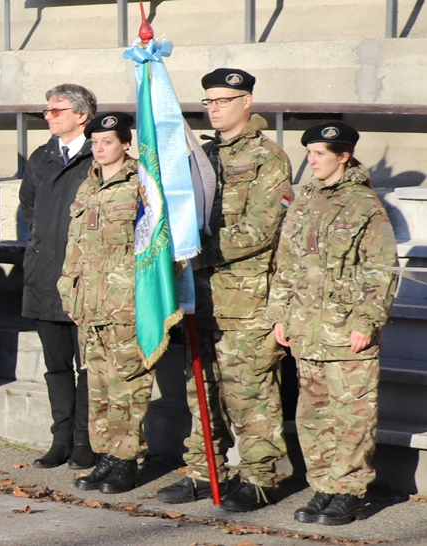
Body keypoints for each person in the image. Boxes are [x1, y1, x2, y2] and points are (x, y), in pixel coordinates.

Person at [157, 68, 292, 512]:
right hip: (199, 294)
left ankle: (260, 477)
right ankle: (204, 470)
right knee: (202, 389)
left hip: (245, 300)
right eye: (209, 102)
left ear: (246, 101)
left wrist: (199, 252)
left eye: (223, 101)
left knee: (249, 393)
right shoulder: (201, 156)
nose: (214, 109)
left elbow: (262, 229)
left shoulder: (267, 157)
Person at [271, 122, 397, 526]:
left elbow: (381, 268)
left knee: (352, 416)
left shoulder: (364, 204)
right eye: (309, 152)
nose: (311, 160)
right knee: (313, 415)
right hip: (306, 327)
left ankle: (349, 491)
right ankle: (324, 486)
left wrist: (367, 320)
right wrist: (280, 313)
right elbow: (286, 262)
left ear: (344, 156)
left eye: (319, 153)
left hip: (345, 330)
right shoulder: (305, 200)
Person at [59, 112, 150, 495]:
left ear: (126, 144)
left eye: (107, 142)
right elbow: (75, 246)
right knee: (98, 385)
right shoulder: (88, 185)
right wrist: (69, 290)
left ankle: (127, 459)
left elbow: (155, 247)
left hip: (125, 304)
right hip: (91, 304)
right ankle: (106, 455)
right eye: (94, 142)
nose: (98, 149)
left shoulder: (142, 185)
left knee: (127, 384)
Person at [20, 83, 97, 470]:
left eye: (57, 110)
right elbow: (29, 207)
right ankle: (61, 438)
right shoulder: (41, 157)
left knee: (88, 366)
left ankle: (85, 439)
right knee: (56, 365)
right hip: (45, 276)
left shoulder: (98, 155)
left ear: (81, 115)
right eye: (47, 110)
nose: (48, 116)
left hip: (85, 279)